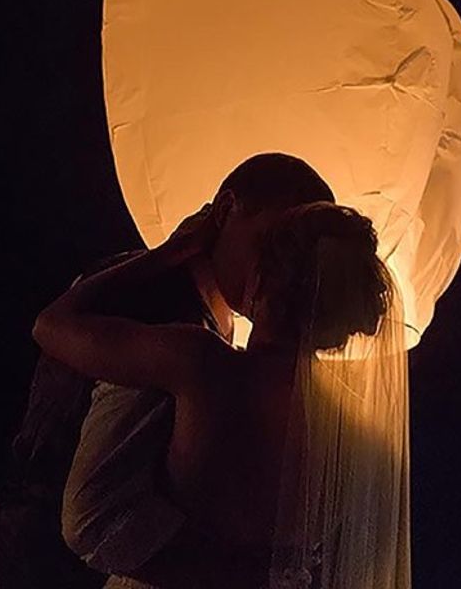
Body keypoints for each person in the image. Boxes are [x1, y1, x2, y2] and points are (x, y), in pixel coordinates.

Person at [0, 152, 335, 589]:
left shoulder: (221, 331)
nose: (281, 266)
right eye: (272, 242)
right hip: (35, 559)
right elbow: (80, 485)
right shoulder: (152, 300)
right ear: (227, 211)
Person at [35, 179, 410, 587]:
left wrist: (164, 255)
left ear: (262, 281)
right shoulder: (356, 434)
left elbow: (51, 326)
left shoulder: (200, 364)